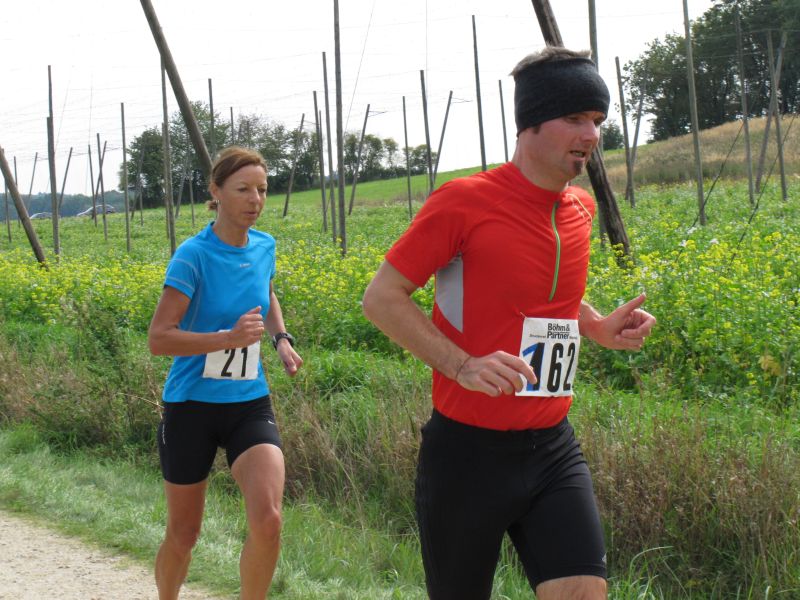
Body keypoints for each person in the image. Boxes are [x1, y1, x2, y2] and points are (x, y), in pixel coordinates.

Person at [362, 47, 656, 600]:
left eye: (597, 120)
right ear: (530, 123)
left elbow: (550, 301)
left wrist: (595, 326)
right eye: (575, 118)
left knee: (584, 592)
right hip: (466, 455)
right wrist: (462, 365)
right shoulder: (464, 203)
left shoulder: (580, 210)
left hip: (553, 447)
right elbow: (381, 299)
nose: (591, 135)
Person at [148, 146, 302, 600]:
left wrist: (281, 338)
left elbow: (266, 294)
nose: (255, 199)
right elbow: (159, 338)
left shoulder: (265, 246)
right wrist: (226, 339)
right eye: (243, 189)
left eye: (263, 190)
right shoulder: (193, 256)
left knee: (268, 520)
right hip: (191, 404)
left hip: (248, 402)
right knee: (184, 534)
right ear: (215, 192)